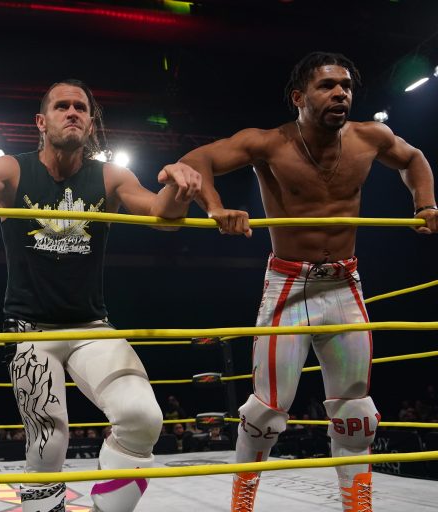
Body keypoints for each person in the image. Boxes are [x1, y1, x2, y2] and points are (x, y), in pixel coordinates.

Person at [177, 51, 437, 511]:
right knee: (266, 410)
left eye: (346, 86)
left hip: (345, 283)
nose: (340, 94)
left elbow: (413, 158)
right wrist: (215, 208)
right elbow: (197, 160)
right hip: (288, 286)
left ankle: (358, 505)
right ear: (299, 97)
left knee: (356, 410)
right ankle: (242, 502)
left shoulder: (369, 137)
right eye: (327, 86)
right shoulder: (269, 143)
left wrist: (426, 204)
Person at [0, 78, 202, 512]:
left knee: (143, 417)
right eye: (62, 106)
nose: (73, 112)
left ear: (91, 122)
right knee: (48, 440)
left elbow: (162, 215)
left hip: (90, 326)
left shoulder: (111, 175)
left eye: (81, 107)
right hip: (29, 328)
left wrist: (179, 184)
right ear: (41, 121)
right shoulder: (12, 169)